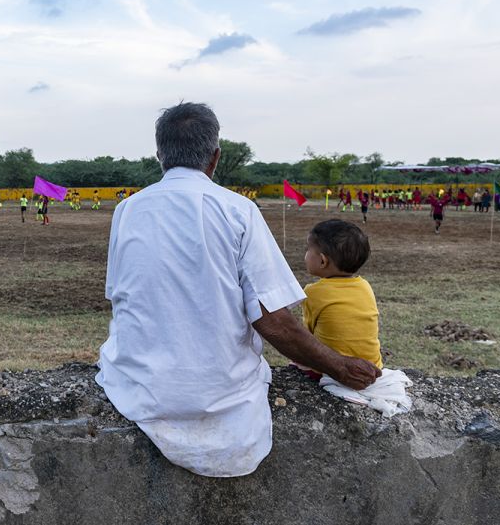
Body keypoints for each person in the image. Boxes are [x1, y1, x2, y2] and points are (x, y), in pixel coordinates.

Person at [96, 102, 380, 478]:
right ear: (215, 158)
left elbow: (121, 298)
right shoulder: (238, 210)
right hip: (224, 400)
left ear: (160, 156)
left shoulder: (127, 211)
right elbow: (273, 321)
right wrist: (338, 366)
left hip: (138, 388)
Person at [301, 220, 382, 376]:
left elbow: (308, 337)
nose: (305, 255)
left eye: (308, 249)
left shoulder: (313, 292)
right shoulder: (365, 286)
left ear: (323, 261)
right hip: (372, 366)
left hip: (331, 369)